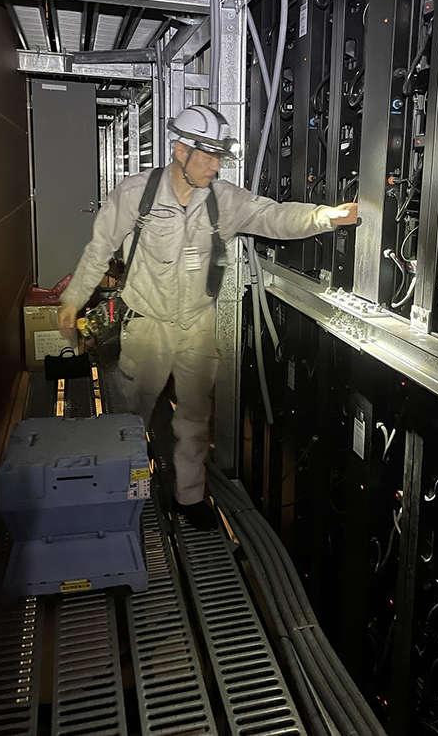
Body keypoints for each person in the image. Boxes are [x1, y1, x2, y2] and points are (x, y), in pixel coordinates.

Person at [58, 104, 358, 530]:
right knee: (130, 418)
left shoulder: (222, 200)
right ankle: (117, 496)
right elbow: (99, 248)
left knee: (195, 419)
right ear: (180, 150)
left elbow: (271, 215)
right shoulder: (136, 194)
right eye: (209, 155)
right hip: (147, 324)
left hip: (197, 324)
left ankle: (189, 497)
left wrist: (326, 217)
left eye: (221, 157)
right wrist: (72, 301)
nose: (216, 166)